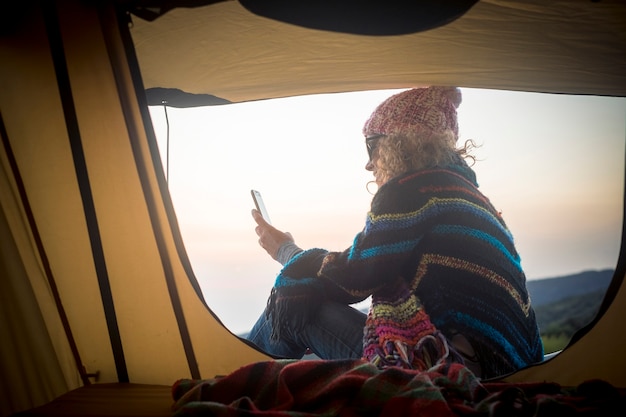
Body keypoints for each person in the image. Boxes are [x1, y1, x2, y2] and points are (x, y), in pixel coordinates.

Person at [248, 86, 544, 379]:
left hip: (447, 371)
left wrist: (285, 251)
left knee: (296, 305)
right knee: (303, 299)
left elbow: (352, 278)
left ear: (399, 143)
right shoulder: (472, 199)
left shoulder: (412, 192)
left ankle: (234, 382)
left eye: (371, 146)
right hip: (505, 370)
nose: (367, 163)